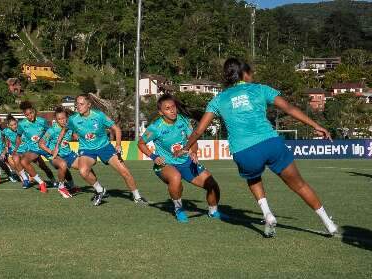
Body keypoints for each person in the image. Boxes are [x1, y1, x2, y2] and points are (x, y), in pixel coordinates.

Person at [176, 58, 338, 236]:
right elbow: (289, 109)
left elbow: (199, 130)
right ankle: (328, 222)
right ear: (244, 74)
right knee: (299, 185)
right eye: (251, 73)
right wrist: (315, 125)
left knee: (253, 178)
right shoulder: (261, 89)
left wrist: (186, 147)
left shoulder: (218, 99)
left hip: (243, 151)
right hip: (270, 143)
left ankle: (267, 213)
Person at [138, 94, 227, 223]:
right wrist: (154, 156)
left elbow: (193, 140)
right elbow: (141, 143)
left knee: (212, 185)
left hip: (185, 161)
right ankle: (178, 209)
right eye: (167, 108)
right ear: (161, 112)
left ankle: (213, 212)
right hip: (165, 164)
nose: (172, 110)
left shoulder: (183, 121)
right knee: (175, 177)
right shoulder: (155, 127)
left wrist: (194, 152)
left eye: (173, 107)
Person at [52, 94, 148, 206]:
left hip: (105, 147)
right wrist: (57, 146)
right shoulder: (73, 119)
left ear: (89, 105)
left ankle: (137, 197)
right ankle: (100, 190)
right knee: (83, 171)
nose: (78, 106)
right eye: (77, 104)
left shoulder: (99, 115)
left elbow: (116, 129)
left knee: (124, 172)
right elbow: (64, 130)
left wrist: (118, 144)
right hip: (86, 149)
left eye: (81, 104)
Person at [39, 107, 91, 198]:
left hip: (68, 154)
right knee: (63, 165)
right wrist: (51, 151)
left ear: (67, 117)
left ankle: (73, 186)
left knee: (84, 166)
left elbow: (75, 136)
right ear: (56, 120)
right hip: (55, 156)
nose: (62, 121)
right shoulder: (52, 130)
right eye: (59, 119)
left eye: (63, 118)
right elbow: (41, 143)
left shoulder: (70, 127)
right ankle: (61, 187)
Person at [15, 101, 52, 193]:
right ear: (24, 115)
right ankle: (41, 183)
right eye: (27, 115)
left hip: (45, 147)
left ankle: (56, 181)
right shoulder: (22, 124)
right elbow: (18, 136)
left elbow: (50, 132)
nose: (30, 116)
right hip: (33, 150)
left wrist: (45, 141)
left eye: (31, 113)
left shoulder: (42, 121)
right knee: (23, 161)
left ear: (34, 111)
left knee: (49, 166)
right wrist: (16, 148)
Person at [3, 114, 31, 188]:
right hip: (13, 151)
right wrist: (5, 149)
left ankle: (30, 176)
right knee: (14, 166)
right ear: (8, 126)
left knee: (25, 165)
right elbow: (5, 140)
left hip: (25, 150)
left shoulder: (22, 128)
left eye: (15, 124)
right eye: (12, 125)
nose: (14, 126)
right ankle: (24, 181)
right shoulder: (6, 131)